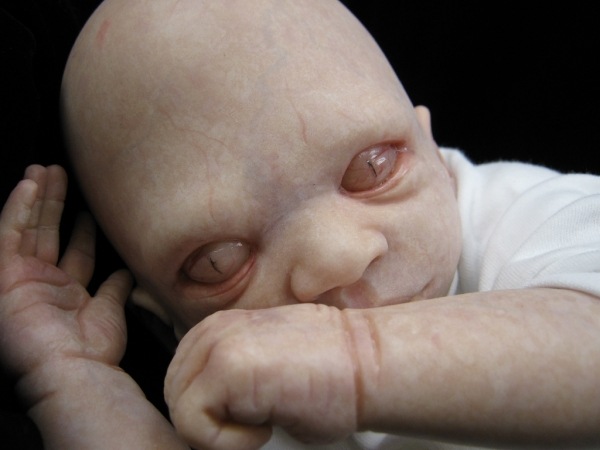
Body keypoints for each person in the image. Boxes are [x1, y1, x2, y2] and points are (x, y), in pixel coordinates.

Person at [1, 0, 599, 448]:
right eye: (221, 261)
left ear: (433, 148)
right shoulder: (238, 384)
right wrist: (75, 383)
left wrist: (355, 361)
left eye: (372, 168)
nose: (334, 258)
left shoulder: (526, 217)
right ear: (169, 320)